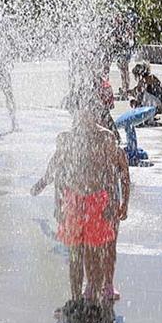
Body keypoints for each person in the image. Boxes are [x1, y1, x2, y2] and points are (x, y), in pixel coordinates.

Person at [32, 94, 130, 305]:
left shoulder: (106, 138)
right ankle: (76, 297)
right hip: (74, 200)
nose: (84, 116)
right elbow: (57, 167)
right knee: (76, 252)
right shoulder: (66, 138)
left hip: (98, 199)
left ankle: (97, 290)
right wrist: (51, 193)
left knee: (98, 249)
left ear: (95, 114)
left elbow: (113, 173)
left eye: (89, 112)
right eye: (80, 112)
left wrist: (114, 202)